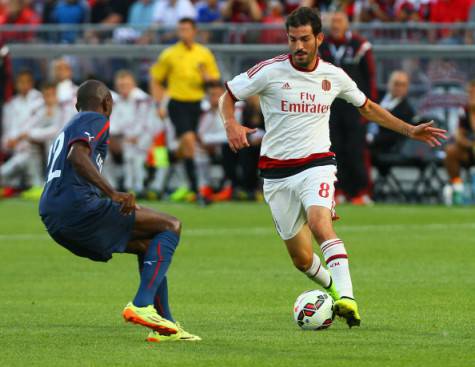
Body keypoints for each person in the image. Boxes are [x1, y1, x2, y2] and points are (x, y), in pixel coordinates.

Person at [219, 7, 446, 328]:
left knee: (319, 223)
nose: (298, 46)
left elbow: (367, 108)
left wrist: (410, 130)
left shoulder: (334, 75)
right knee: (301, 259)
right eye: (293, 39)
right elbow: (227, 95)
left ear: (319, 39)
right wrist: (231, 123)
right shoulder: (270, 71)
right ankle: (336, 290)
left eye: (305, 39)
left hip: (317, 164)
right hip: (275, 173)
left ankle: (349, 300)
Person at [38, 80, 200, 343]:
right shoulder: (95, 118)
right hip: (78, 207)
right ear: (107, 103)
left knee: (148, 244)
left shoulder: (69, 125)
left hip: (54, 214)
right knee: (171, 225)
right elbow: (76, 157)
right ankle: (141, 304)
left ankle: (165, 325)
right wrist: (113, 193)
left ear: (76, 105)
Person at [149, 18, 220, 204]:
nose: (183, 32)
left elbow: (215, 80)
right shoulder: (169, 54)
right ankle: (196, 190)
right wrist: (159, 104)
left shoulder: (204, 54)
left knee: (188, 145)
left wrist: (206, 77)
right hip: (177, 102)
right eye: (180, 29)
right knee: (189, 140)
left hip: (198, 103)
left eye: (186, 29)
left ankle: (174, 157)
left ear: (194, 31)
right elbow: (156, 79)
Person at [319, 11, 378, 204]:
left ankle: (361, 191)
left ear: (347, 24)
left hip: (354, 107)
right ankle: (338, 190)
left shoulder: (360, 46)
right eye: (333, 21)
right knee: (333, 149)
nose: (335, 25)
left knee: (356, 149)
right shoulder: (322, 46)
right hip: (330, 107)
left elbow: (370, 78)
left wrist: (370, 107)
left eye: (339, 21)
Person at [367, 70, 415, 161]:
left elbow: (396, 135)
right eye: (396, 84)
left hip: (381, 147)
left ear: (407, 88)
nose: (399, 88)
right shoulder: (376, 96)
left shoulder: (407, 111)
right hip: (361, 134)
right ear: (389, 83)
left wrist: (371, 138)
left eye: (403, 85)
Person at [443, 80, 475, 205]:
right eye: (470, 93)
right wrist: (470, 145)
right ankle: (457, 187)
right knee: (450, 152)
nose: (471, 96)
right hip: (469, 149)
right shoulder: (464, 110)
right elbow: (458, 135)